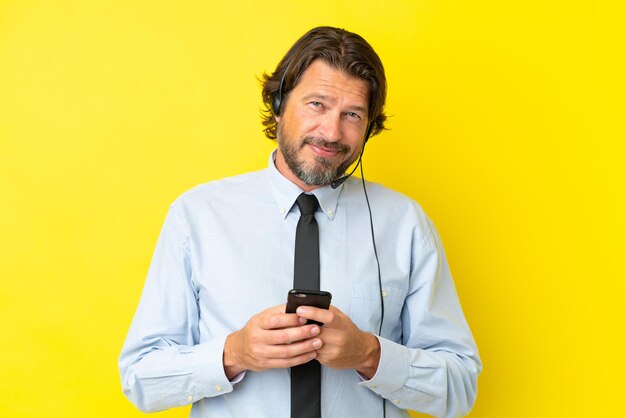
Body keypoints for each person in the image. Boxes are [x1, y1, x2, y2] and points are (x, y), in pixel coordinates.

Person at [119, 26, 481, 418]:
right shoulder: (198, 215)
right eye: (317, 104)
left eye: (352, 114)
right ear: (278, 104)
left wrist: (370, 354)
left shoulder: (405, 223)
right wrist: (232, 354)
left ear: (369, 129)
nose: (331, 132)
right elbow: (140, 379)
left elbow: (459, 390)